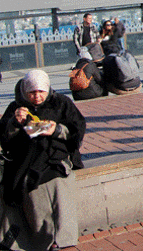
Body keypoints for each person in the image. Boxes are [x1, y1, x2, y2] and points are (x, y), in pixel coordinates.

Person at [0, 69, 86, 251]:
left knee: (56, 182)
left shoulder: (61, 103)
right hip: (25, 160)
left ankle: (61, 238)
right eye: (32, 92)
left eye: (41, 91)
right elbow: (5, 140)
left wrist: (56, 130)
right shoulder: (15, 108)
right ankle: (37, 239)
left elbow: (77, 129)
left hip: (55, 157)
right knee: (22, 184)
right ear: (24, 91)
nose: (37, 96)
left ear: (47, 89)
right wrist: (15, 123)